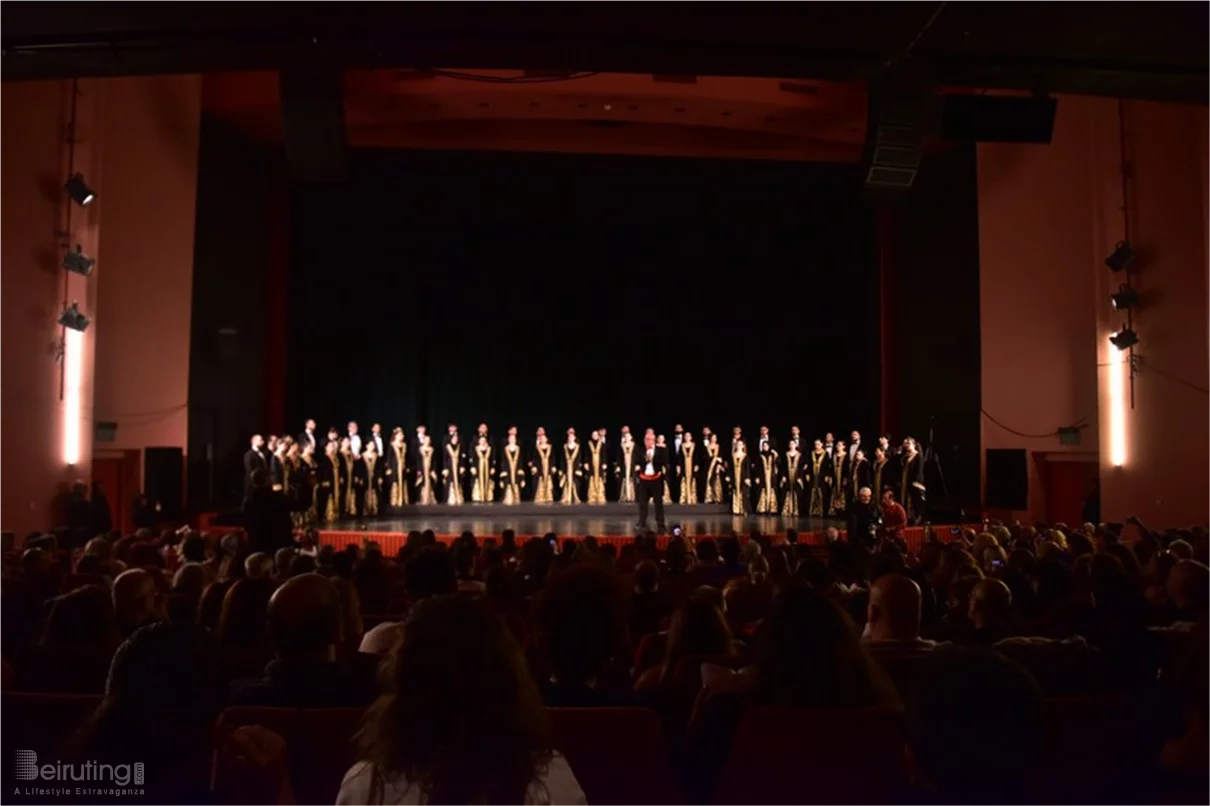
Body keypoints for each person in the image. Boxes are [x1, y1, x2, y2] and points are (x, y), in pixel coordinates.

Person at [636, 432, 669, 533]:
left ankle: (661, 524)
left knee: (658, 503)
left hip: (656, 479)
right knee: (642, 503)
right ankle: (642, 522)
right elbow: (637, 462)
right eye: (646, 439)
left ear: (654, 440)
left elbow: (664, 462)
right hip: (644, 479)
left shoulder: (661, 450)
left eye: (649, 439)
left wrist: (652, 460)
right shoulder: (640, 450)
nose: (647, 441)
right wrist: (645, 460)